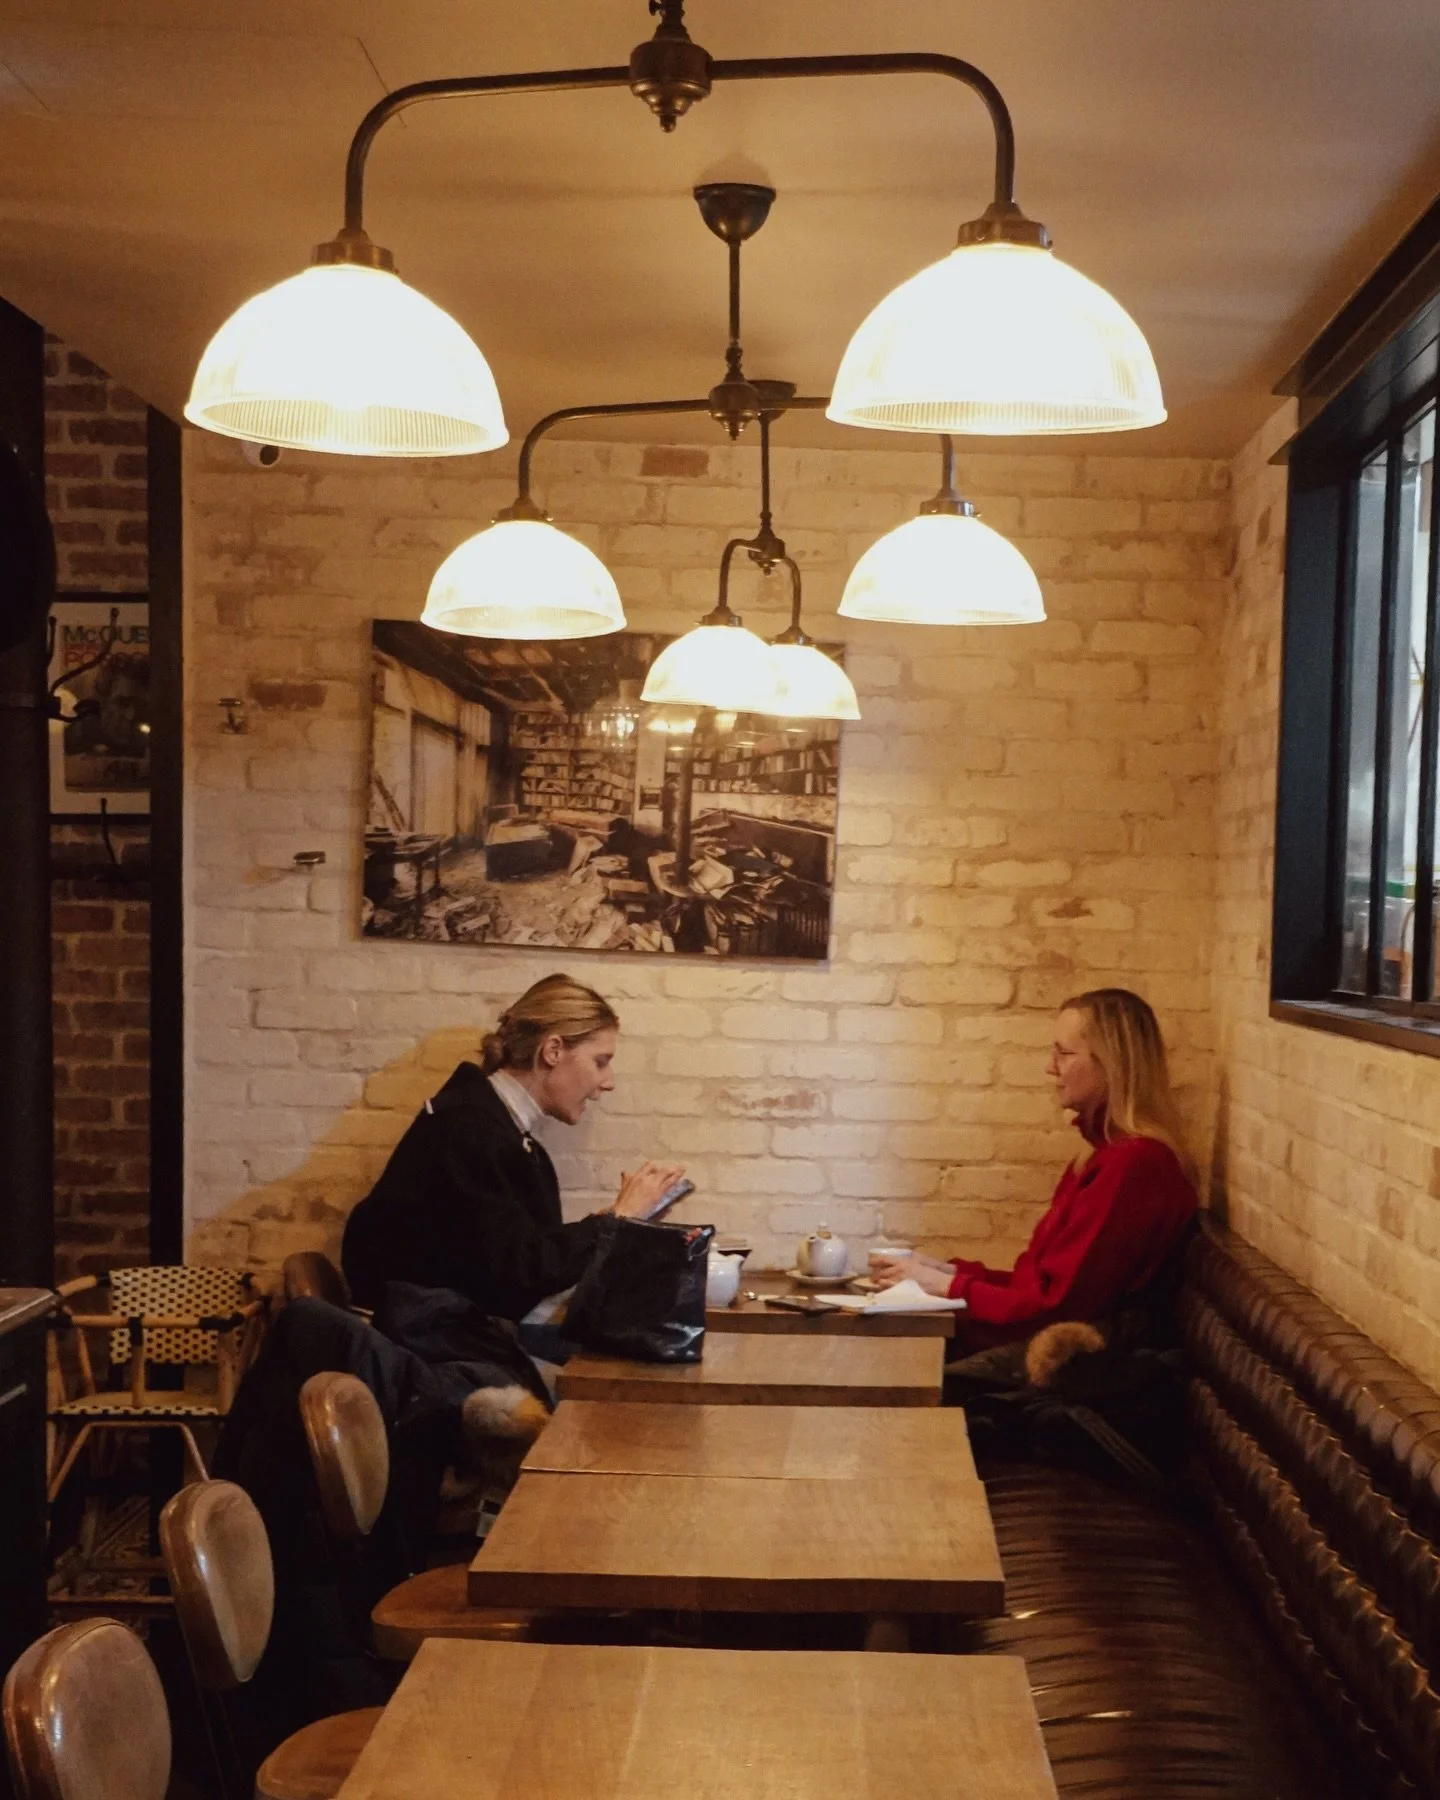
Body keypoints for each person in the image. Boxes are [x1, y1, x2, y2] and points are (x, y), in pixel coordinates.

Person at [342, 974, 685, 1337]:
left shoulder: (494, 1128)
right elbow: (523, 1273)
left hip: (453, 1333)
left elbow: (517, 1252)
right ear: (552, 1051)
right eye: (600, 1061)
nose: (608, 1081)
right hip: (431, 1348)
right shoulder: (468, 1132)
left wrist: (618, 1221)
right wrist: (619, 1218)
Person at [873, 988, 1198, 1354]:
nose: (1050, 1067)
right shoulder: (1102, 1155)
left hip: (1062, 1367)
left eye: (1064, 1053)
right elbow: (1037, 1287)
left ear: (1112, 1063)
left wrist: (946, 1287)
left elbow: (1057, 1311)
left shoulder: (1134, 1165)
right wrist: (943, 1273)